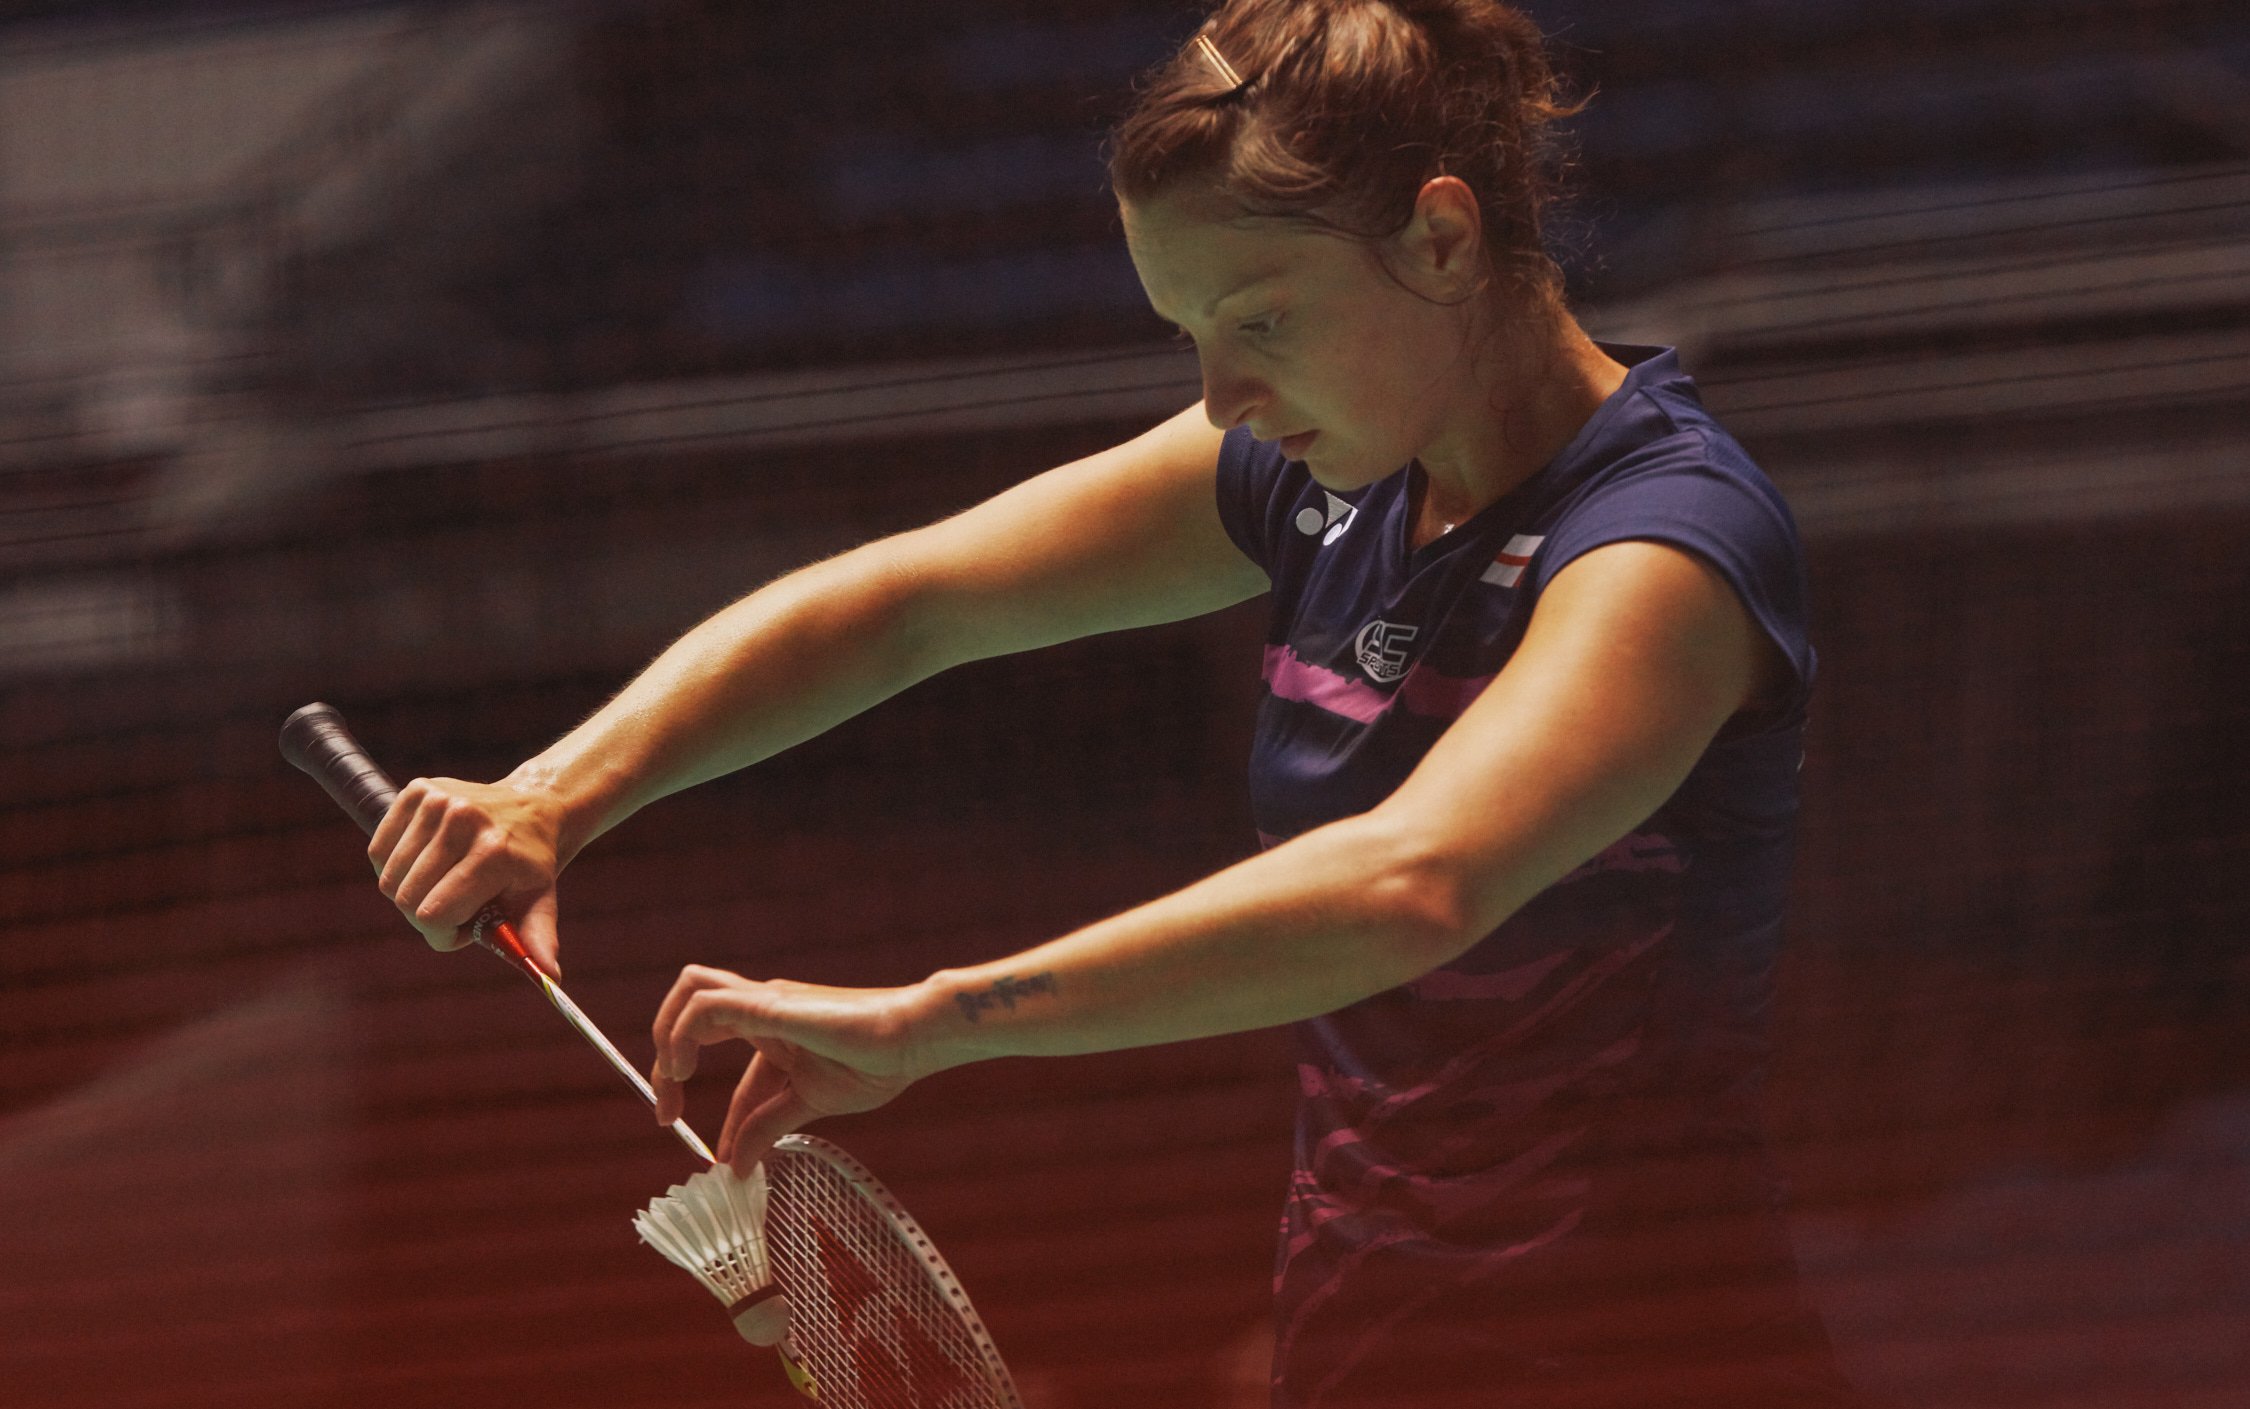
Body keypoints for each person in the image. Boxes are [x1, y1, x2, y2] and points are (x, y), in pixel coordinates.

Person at [369, 2, 1864, 1404]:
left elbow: (1417, 879)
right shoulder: (1325, 479)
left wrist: (933, 1020)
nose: (1218, 396)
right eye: (1187, 333)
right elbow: (915, 600)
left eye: (1258, 319)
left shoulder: (1665, 546)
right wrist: (552, 793)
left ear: (1439, 236)